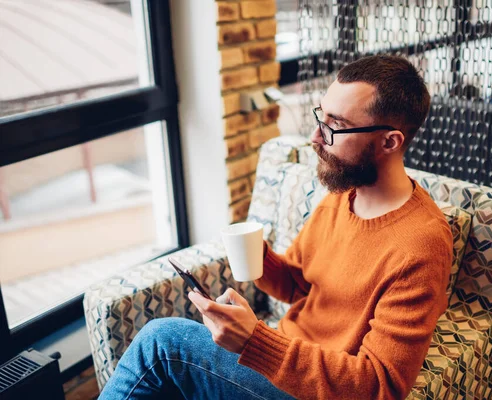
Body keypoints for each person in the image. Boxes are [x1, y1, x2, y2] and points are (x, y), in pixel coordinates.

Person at [99, 54, 452, 400]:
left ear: (390, 142)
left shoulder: (421, 244)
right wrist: (257, 257)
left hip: (313, 390)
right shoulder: (343, 195)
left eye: (336, 126)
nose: (315, 137)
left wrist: (255, 341)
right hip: (283, 363)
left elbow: (379, 387)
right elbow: (298, 285)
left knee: (163, 342)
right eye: (320, 117)